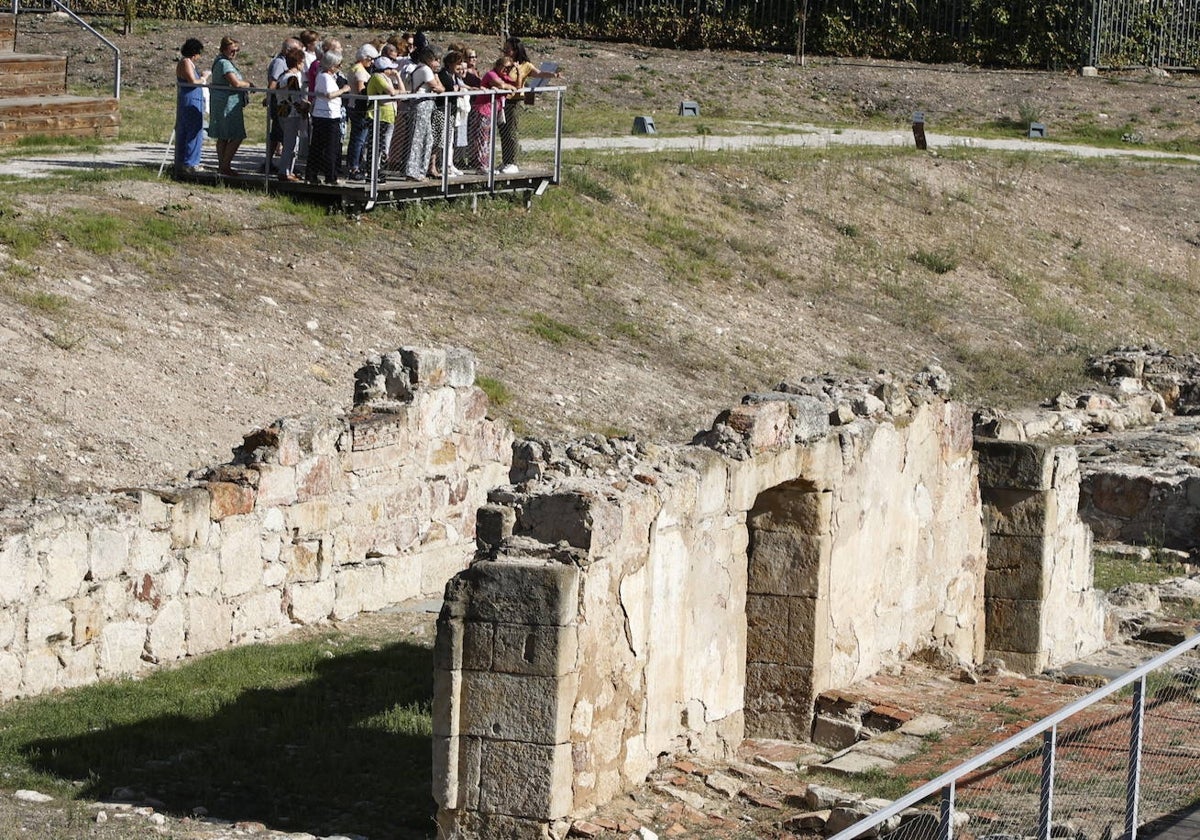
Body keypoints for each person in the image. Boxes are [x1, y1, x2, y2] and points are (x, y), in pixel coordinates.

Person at [499, 37, 561, 174]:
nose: (505, 50)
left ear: (515, 50)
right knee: (503, 131)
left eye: (508, 48)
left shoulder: (525, 65)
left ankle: (513, 162)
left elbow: (538, 73)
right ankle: (505, 161)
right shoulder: (505, 63)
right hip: (502, 101)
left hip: (513, 102)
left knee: (511, 132)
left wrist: (553, 74)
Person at [209, 36, 252, 177]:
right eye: (232, 50)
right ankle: (225, 165)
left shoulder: (220, 61)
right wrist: (248, 84)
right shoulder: (224, 64)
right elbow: (235, 83)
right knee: (235, 135)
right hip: (227, 104)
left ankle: (222, 166)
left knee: (223, 136)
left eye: (237, 50)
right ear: (224, 49)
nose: (234, 53)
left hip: (223, 102)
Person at [306, 50, 350, 185]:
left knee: (322, 146)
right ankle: (330, 176)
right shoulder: (324, 76)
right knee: (329, 147)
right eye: (338, 65)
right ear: (331, 65)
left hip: (327, 114)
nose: (340, 67)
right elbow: (329, 94)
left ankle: (315, 174)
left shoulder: (327, 76)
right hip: (327, 116)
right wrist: (343, 90)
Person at [403, 46, 444, 180]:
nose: (438, 63)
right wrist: (437, 80)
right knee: (417, 138)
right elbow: (438, 88)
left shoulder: (427, 70)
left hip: (427, 106)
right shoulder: (425, 70)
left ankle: (422, 170)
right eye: (435, 60)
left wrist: (437, 77)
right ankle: (412, 171)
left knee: (428, 138)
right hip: (421, 106)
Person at [473, 55, 517, 175]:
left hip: (493, 111)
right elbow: (501, 85)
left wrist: (516, 70)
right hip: (484, 110)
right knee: (483, 139)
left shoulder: (504, 76)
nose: (507, 70)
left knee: (490, 139)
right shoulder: (491, 74)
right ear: (498, 65)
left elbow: (517, 85)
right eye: (505, 67)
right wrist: (507, 86)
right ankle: (482, 165)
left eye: (509, 68)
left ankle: (487, 164)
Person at [265, 37, 301, 173]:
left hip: (282, 103)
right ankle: (279, 167)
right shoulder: (280, 63)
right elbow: (273, 84)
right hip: (282, 104)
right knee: (279, 134)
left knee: (280, 135)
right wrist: (270, 97)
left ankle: (283, 166)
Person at [173, 37, 208, 175]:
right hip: (190, 99)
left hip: (192, 98)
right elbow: (192, 81)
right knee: (193, 131)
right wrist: (204, 78)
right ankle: (190, 163)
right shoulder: (186, 62)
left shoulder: (186, 62)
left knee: (187, 129)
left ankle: (183, 161)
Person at [275, 45, 308, 182]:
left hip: (281, 111)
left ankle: (288, 170)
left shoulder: (282, 75)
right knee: (290, 144)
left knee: (288, 142)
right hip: (291, 113)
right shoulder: (292, 78)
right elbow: (295, 99)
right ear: (299, 62)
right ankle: (285, 171)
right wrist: (304, 107)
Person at [365, 53, 402, 176]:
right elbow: (391, 92)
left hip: (388, 115)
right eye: (390, 68)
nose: (393, 70)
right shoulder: (377, 77)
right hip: (377, 115)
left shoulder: (388, 78)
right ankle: (372, 169)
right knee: (376, 144)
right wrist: (397, 92)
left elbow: (401, 91)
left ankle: (378, 167)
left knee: (383, 145)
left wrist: (398, 76)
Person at [345, 43, 378, 181]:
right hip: (359, 108)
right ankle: (354, 167)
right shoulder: (359, 70)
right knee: (359, 139)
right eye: (370, 59)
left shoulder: (356, 68)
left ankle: (354, 164)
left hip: (355, 107)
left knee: (356, 139)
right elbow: (360, 89)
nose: (372, 62)